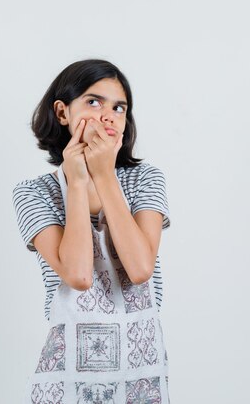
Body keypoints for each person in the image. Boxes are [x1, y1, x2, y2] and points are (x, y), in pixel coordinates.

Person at [12, 59, 172, 404]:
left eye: (119, 107)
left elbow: (140, 269)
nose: (108, 115)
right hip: (67, 372)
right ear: (62, 112)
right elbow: (79, 276)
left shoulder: (146, 180)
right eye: (93, 102)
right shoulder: (33, 193)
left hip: (140, 371)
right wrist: (78, 184)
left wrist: (104, 175)